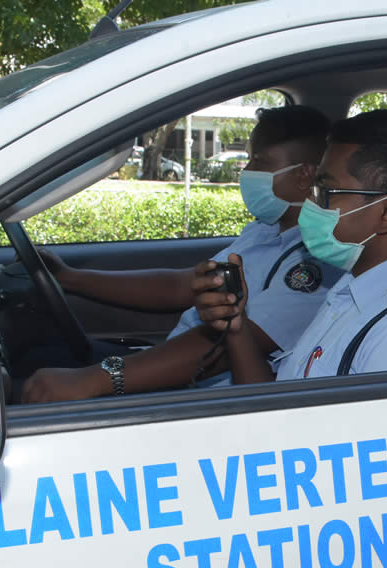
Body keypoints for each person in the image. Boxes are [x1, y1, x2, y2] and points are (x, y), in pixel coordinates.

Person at [20, 104, 340, 402]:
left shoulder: (316, 264)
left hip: (199, 397)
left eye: (260, 162)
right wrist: (70, 278)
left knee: (27, 383)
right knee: (32, 357)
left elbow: (222, 347)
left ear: (304, 176)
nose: (247, 171)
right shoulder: (264, 232)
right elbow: (179, 286)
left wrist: (96, 379)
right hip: (170, 374)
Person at [194, 109, 387, 382]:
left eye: (326, 193)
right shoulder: (351, 289)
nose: (310, 203)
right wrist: (237, 326)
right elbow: (283, 402)